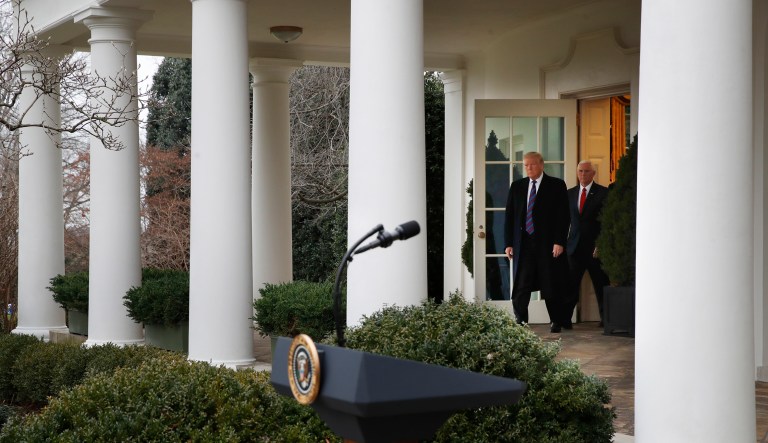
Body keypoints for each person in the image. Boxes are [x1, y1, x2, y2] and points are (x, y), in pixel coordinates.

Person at [504, 152, 570, 332]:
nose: (528, 168)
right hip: (523, 245)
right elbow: (509, 217)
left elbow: (563, 216)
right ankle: (520, 321)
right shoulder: (517, 186)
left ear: (541, 165)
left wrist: (559, 241)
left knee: (550, 283)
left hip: (548, 245)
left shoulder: (556, 185)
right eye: (525, 165)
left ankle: (556, 321)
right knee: (521, 285)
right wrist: (508, 243)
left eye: (532, 164)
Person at [564, 160, 610, 327]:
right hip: (574, 248)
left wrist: (601, 244)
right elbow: (564, 221)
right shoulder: (570, 193)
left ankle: (606, 320)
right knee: (570, 285)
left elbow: (607, 222)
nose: (583, 174)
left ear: (593, 173)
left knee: (601, 284)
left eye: (586, 171)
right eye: (580, 171)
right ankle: (565, 319)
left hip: (595, 249)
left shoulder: (604, 193)